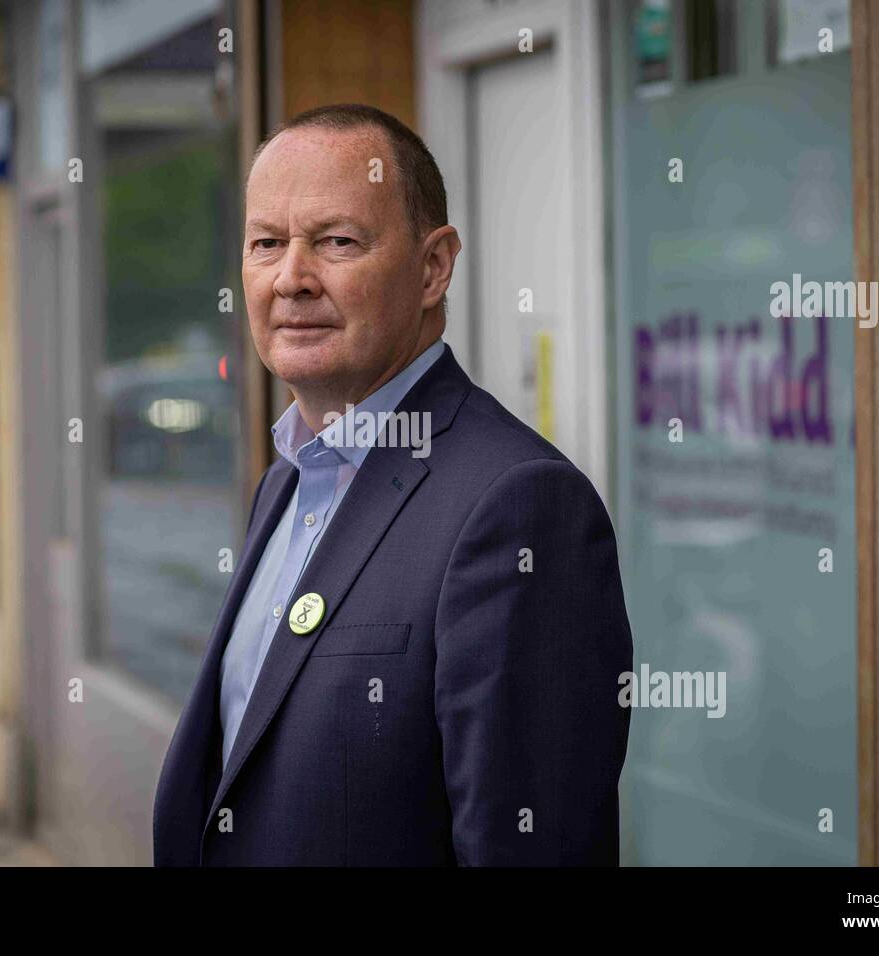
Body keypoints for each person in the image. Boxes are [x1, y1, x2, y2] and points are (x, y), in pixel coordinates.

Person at [153, 103, 632, 866]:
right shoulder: (285, 482)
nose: (291, 279)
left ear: (433, 267)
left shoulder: (519, 506)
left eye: (337, 241)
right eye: (266, 244)